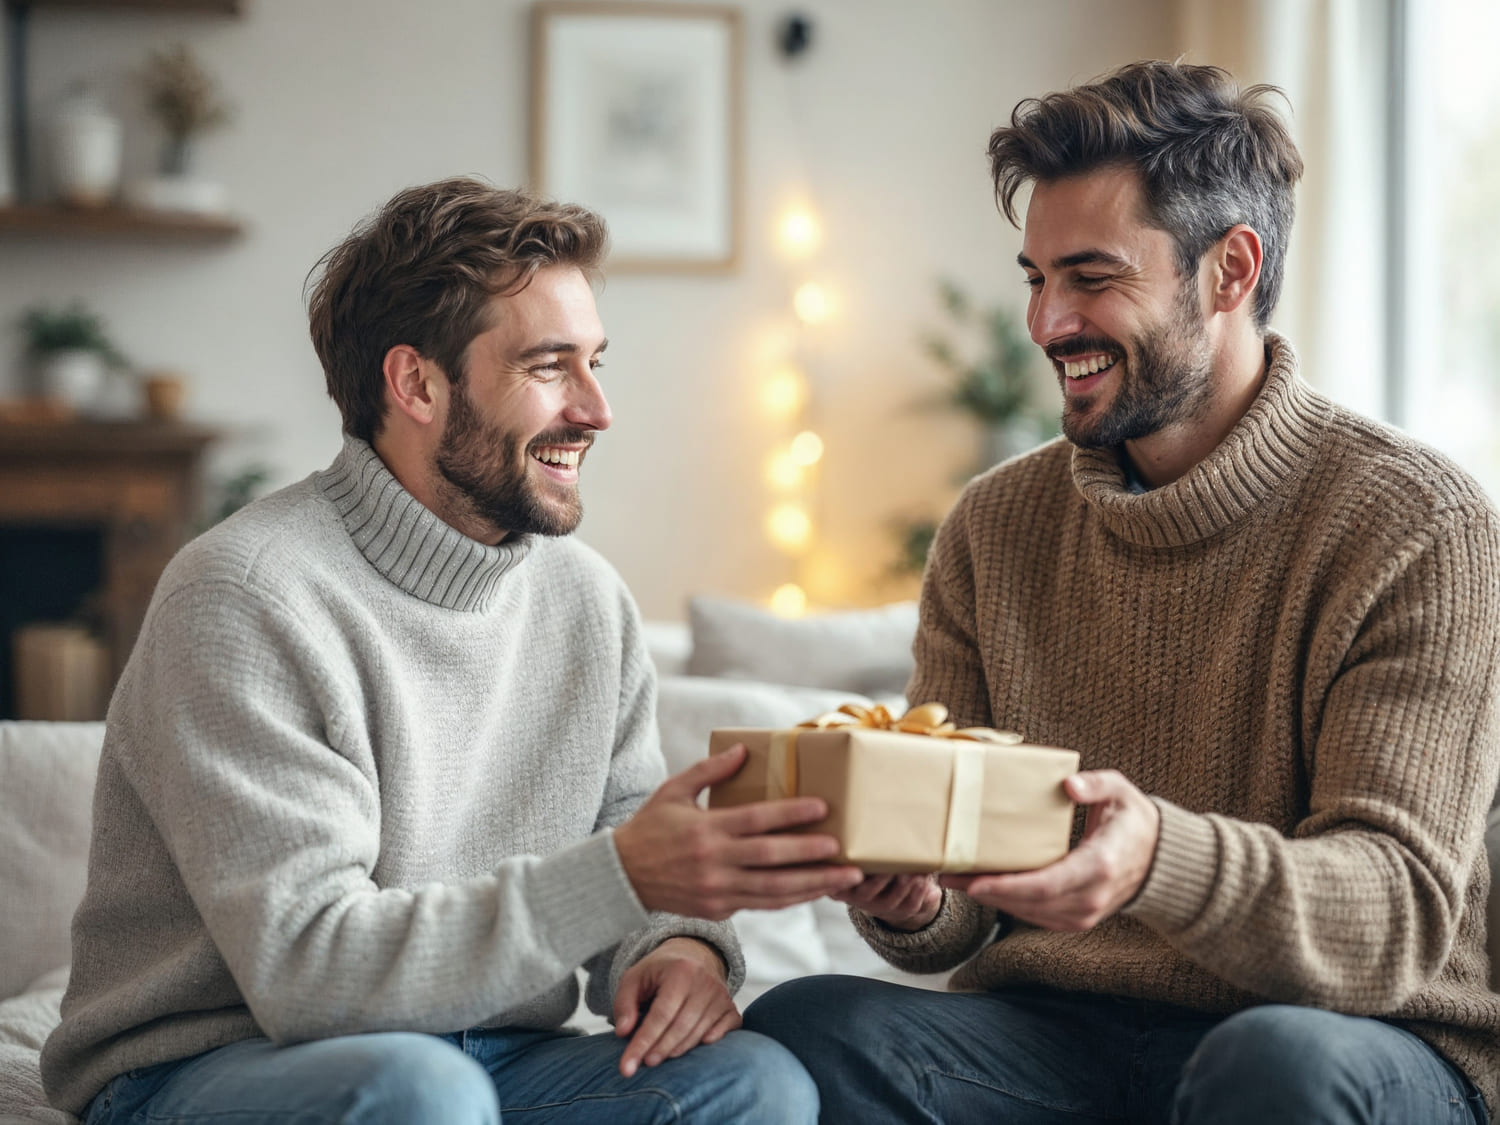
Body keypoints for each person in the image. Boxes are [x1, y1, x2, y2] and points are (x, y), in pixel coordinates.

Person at [744, 60, 1500, 1124]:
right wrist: (914, 896)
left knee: (1274, 1067)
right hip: (1067, 1041)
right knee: (809, 1029)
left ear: (1229, 270)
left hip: (1359, 1040)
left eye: (1091, 278)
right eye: (1035, 278)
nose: (1048, 323)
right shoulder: (994, 529)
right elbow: (961, 896)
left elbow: (1393, 917)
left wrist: (1156, 859)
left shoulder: (1418, 525)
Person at [40, 178, 865, 1125]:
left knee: (759, 1081)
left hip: (497, 1055)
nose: (596, 409)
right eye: (551, 366)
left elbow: (635, 837)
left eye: (596, 362)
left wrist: (677, 949)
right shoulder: (243, 593)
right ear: (417, 384)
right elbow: (306, 972)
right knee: (419, 1093)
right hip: (224, 1060)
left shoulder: (585, 598)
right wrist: (628, 876)